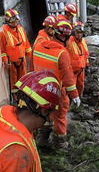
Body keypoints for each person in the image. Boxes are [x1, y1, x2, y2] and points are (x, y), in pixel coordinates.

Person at [31, 19, 80, 148]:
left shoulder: (37, 47)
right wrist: (74, 95)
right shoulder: (61, 53)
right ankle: (60, 143)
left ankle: (42, 139)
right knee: (60, 115)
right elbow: (68, 79)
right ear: (65, 37)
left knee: (43, 112)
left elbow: (32, 68)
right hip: (56, 91)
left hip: (39, 89)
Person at [0, 9, 32, 97]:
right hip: (11, 62)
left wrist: (30, 55)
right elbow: (2, 50)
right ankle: (16, 98)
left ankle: (24, 96)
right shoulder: (3, 33)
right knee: (13, 82)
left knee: (23, 79)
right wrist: (5, 61)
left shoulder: (21, 29)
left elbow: (26, 44)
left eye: (16, 20)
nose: (15, 23)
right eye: (13, 21)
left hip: (22, 60)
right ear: (8, 22)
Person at [66, 21, 89, 97]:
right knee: (72, 89)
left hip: (81, 70)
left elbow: (86, 54)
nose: (79, 34)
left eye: (81, 32)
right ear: (74, 32)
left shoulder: (84, 41)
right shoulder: (69, 42)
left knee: (80, 86)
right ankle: (71, 102)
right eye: (77, 32)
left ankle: (79, 100)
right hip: (72, 72)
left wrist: (87, 65)